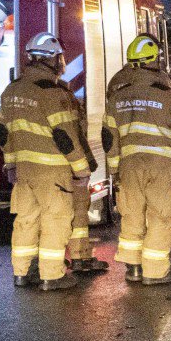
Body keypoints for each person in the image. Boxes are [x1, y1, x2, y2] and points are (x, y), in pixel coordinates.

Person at [0, 33, 92, 291]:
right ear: (53, 59)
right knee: (55, 220)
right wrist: (82, 170)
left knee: (26, 220)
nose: (63, 63)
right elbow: (66, 137)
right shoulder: (53, 93)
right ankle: (52, 275)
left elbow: (4, 133)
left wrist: (11, 165)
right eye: (61, 58)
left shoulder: (12, 90)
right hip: (53, 171)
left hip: (24, 171)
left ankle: (21, 272)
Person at [104, 35, 171, 285]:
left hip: (128, 166)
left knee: (131, 216)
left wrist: (114, 169)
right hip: (162, 166)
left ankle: (133, 269)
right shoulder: (166, 94)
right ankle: (154, 272)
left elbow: (108, 137)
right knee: (161, 216)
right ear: (153, 61)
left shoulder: (117, 96)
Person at [62, 80, 108, 276]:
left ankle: (40, 264)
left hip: (41, 170)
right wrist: (84, 166)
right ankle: (80, 257)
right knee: (78, 212)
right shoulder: (66, 102)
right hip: (69, 168)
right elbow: (77, 137)